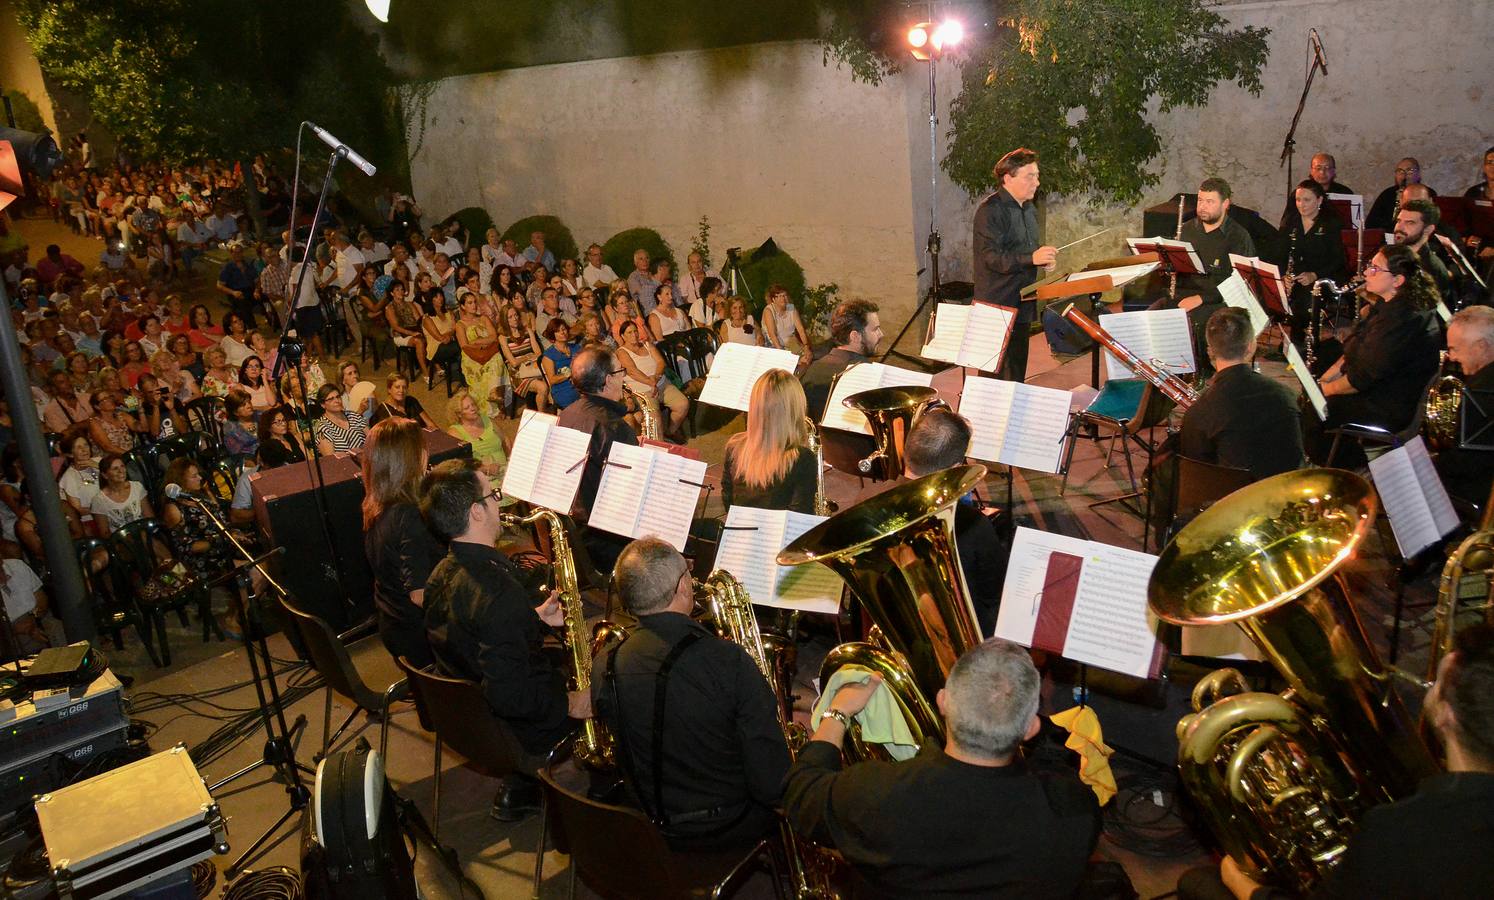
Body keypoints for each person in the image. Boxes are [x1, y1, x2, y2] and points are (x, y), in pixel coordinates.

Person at [1191, 623, 1494, 900]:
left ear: (1446, 715)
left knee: (1197, 883)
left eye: (1436, 683)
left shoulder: (1398, 832)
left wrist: (1244, 886)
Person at [783, 638, 1101, 897]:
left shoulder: (874, 792)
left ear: (942, 701)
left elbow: (801, 794)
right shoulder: (1074, 811)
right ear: (1030, 728)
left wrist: (837, 713)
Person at [594, 538, 791, 849]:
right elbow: (771, 786)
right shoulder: (729, 661)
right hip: (726, 825)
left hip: (645, 821)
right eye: (687, 573)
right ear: (683, 588)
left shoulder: (606, 660)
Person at [420, 459, 588, 820]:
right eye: (493, 495)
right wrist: (573, 702)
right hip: (517, 730)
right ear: (476, 513)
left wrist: (533, 620)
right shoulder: (498, 594)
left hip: (473, 723)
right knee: (617, 680)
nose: (499, 503)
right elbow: (511, 695)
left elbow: (469, 640)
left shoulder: (439, 573)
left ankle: (523, 785)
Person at [853, 407, 1009, 634]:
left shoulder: (864, 501)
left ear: (906, 451)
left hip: (891, 626)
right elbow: (995, 593)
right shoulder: (972, 525)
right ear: (956, 469)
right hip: (954, 634)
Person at [1305, 245, 1441, 466]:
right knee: (1315, 379)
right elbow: (1356, 346)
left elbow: (1362, 377)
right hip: (1376, 386)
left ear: (1397, 281)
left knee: (1316, 409)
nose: (1367, 272)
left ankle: (1338, 468)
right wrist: (1324, 380)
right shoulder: (1388, 304)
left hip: (1388, 404)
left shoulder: (1405, 319)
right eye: (1370, 266)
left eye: (1376, 269)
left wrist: (1322, 392)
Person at [1179, 308, 1305, 479]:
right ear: (1251, 347)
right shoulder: (1285, 394)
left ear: (1210, 351)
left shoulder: (1197, 413)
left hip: (1233, 499)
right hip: (1284, 494)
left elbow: (1197, 473)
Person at [972, 147, 1056, 383]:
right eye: (1030, 176)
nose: (1036, 182)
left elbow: (1027, 251)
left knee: (1017, 371)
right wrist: (1031, 259)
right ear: (1008, 177)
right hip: (997, 303)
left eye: (1037, 175)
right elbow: (992, 258)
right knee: (993, 376)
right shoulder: (990, 211)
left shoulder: (1029, 209)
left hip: (1022, 300)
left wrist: (1042, 260)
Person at [1151, 178, 1257, 361]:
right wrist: (1168, 266)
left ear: (1225, 204)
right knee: (1153, 314)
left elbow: (1240, 282)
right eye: (1200, 200)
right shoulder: (1186, 229)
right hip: (1185, 293)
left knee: (1196, 321)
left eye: (1210, 202)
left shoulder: (1238, 237)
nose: (1203, 207)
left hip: (1218, 299)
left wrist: (1201, 298)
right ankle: (1162, 370)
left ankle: (1199, 373)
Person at [363, 419, 440, 670]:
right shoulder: (409, 515)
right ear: (412, 457)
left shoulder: (376, 504)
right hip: (421, 640)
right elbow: (420, 594)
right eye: (422, 446)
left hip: (393, 625)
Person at [556, 345, 638, 571]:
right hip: (610, 541)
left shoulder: (568, 414)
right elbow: (632, 495)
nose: (624, 377)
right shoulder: (613, 427)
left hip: (579, 533)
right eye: (620, 371)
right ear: (608, 380)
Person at [722, 370, 818, 513]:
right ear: (795, 409)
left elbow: (728, 500)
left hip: (740, 530)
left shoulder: (734, 446)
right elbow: (800, 514)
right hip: (781, 533)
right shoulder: (802, 458)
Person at [1435, 306, 1494, 511]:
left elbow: (1467, 464)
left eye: (1454, 349)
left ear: (1480, 347)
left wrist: (1431, 462)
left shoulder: (1480, 393)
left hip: (1481, 491)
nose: (1451, 357)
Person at [1280, 180, 1348, 336]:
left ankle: (1302, 341)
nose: (1301, 205)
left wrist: (1314, 275)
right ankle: (1292, 340)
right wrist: (1284, 276)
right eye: (1298, 200)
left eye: (1307, 200)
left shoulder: (1331, 224)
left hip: (1324, 276)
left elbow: (1339, 260)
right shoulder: (1291, 222)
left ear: (1319, 200)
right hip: (1297, 275)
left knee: (1303, 301)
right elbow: (1281, 253)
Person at [801, 298, 882, 420]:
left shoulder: (812, 369)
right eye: (875, 329)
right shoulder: (868, 375)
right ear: (855, 336)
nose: (881, 334)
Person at [616, 320, 688, 438]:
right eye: (629, 333)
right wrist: (651, 383)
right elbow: (632, 371)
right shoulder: (622, 352)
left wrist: (655, 378)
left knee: (683, 404)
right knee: (655, 420)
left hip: (661, 383)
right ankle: (659, 447)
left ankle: (670, 431)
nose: (634, 334)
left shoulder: (647, 344)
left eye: (635, 331)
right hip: (643, 390)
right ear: (623, 336)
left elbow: (660, 362)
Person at [0, 557, 69, 656]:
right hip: (10, 631)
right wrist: (21, 629)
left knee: (58, 629)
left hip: (37, 616)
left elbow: (41, 598)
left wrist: (34, 618)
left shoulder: (17, 566)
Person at [446, 390, 510, 485]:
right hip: (481, 480)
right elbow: (458, 465)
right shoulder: (455, 433)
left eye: (473, 405)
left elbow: (505, 439)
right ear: (459, 414)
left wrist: (511, 460)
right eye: (467, 408)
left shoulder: (486, 419)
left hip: (505, 472)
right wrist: (485, 469)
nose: (473, 409)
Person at [456, 290, 505, 411]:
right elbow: (464, 345)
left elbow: (494, 337)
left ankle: (494, 393)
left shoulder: (483, 318)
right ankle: (495, 402)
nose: (474, 305)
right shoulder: (460, 324)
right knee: (494, 362)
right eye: (470, 303)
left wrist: (477, 341)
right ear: (463, 306)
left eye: (474, 302)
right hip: (471, 356)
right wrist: (483, 342)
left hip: (489, 351)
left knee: (497, 358)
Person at [1281, 153, 1354, 232]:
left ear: (1334, 171)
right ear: (1311, 171)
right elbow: (1286, 223)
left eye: (1327, 168)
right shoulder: (1300, 193)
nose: (1322, 172)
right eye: (1318, 168)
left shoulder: (1345, 192)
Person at [498, 304, 550, 412]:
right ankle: (542, 417)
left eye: (516, 315)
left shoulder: (527, 331)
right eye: (510, 317)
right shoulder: (503, 338)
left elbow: (538, 352)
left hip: (534, 367)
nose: (515, 318)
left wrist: (524, 359)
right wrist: (527, 356)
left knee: (553, 379)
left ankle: (554, 410)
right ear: (505, 320)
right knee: (543, 387)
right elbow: (513, 363)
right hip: (518, 374)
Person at [90, 454, 152, 535]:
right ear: (105, 475)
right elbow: (105, 533)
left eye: (122, 466)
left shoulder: (137, 487)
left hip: (145, 534)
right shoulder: (99, 500)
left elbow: (149, 515)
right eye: (115, 469)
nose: (121, 471)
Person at [1366, 158, 1435, 231]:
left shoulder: (1426, 193)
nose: (1404, 175)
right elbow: (1370, 223)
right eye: (1400, 171)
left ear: (1418, 174)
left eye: (1409, 171)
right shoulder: (1387, 194)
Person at [761, 283, 813, 369]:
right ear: (774, 299)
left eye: (785, 295)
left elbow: (800, 330)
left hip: (790, 341)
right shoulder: (769, 311)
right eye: (780, 296)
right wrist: (784, 355)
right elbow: (772, 335)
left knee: (808, 357)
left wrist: (806, 346)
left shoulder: (790, 307)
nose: (784, 298)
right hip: (774, 345)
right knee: (792, 362)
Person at [313, 383, 368, 456]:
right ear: (323, 404)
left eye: (338, 397)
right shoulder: (323, 428)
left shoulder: (353, 416)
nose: (337, 401)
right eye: (331, 399)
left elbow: (372, 439)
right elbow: (330, 459)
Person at [540, 319, 583, 410]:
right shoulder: (549, 355)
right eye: (558, 331)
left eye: (563, 329)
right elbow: (552, 379)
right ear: (553, 335)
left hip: (582, 385)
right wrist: (570, 373)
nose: (562, 333)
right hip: (563, 389)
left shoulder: (577, 348)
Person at [216, 243, 259, 330]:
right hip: (236, 291)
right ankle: (252, 327)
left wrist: (257, 290)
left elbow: (257, 280)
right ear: (231, 254)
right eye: (235, 252)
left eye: (239, 252)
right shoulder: (227, 268)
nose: (238, 255)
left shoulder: (248, 264)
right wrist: (233, 292)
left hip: (250, 289)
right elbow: (220, 285)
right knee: (242, 302)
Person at [370, 372, 436, 428]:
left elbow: (429, 422)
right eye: (397, 387)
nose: (401, 390)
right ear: (389, 389)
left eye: (404, 387)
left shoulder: (411, 401)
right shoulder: (382, 413)